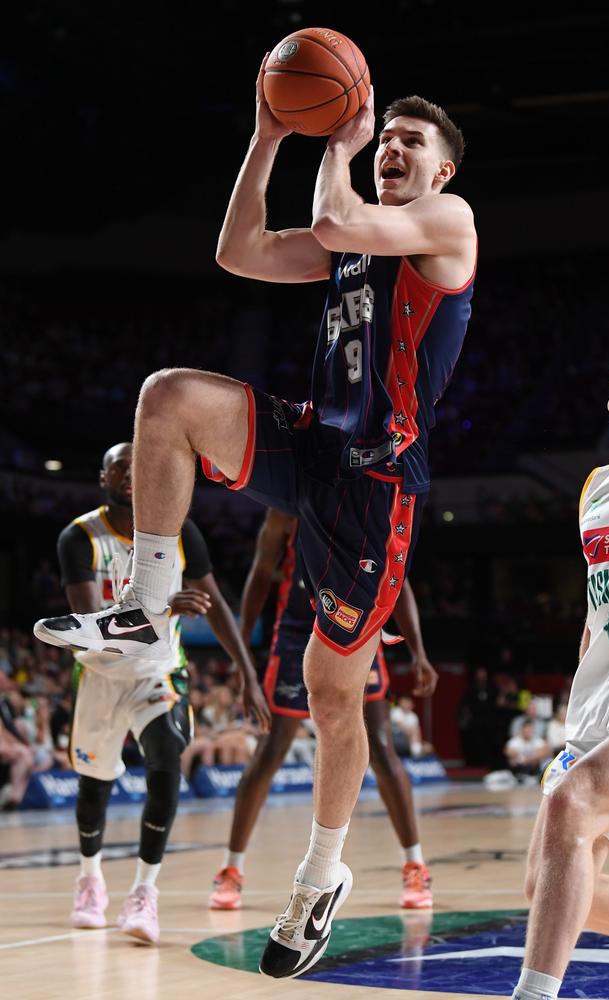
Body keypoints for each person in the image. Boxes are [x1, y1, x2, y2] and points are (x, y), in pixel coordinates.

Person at [34, 62, 476, 978]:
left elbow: (336, 219)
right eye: (385, 134)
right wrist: (271, 135)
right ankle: (143, 603)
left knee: (330, 690)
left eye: (410, 141)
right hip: (313, 440)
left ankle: (320, 876)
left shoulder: (448, 225)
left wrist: (340, 145)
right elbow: (238, 250)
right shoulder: (352, 239)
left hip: (376, 481)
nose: (391, 145)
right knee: (169, 399)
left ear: (442, 173)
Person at [41, 442, 269, 945]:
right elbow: (98, 628)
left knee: (167, 763)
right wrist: (168, 608)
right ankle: (90, 880)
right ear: (103, 479)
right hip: (101, 674)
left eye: (138, 465)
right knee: (93, 786)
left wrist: (247, 674)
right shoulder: (79, 538)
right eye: (119, 467)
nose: (130, 473)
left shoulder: (180, 531)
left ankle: (144, 893)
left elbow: (215, 606)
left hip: (159, 673)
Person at [512, 325, 609, 1000]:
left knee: (576, 803)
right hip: (600, 703)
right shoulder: (596, 486)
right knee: (548, 887)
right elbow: (598, 609)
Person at [209, 508, 437, 912]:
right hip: (299, 630)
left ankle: (415, 864)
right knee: (270, 751)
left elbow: (398, 579)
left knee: (383, 750)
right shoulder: (287, 506)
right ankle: (231, 869)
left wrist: (418, 651)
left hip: (360, 623)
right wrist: (242, 643)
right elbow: (262, 573)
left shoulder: (367, 498)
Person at [503, 718, 548, 783]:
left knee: (541, 760)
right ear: (522, 730)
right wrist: (520, 758)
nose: (528, 732)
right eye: (526, 730)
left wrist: (529, 759)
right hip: (519, 767)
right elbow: (508, 751)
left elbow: (543, 751)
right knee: (512, 761)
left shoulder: (537, 740)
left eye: (530, 730)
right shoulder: (515, 740)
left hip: (533, 766)